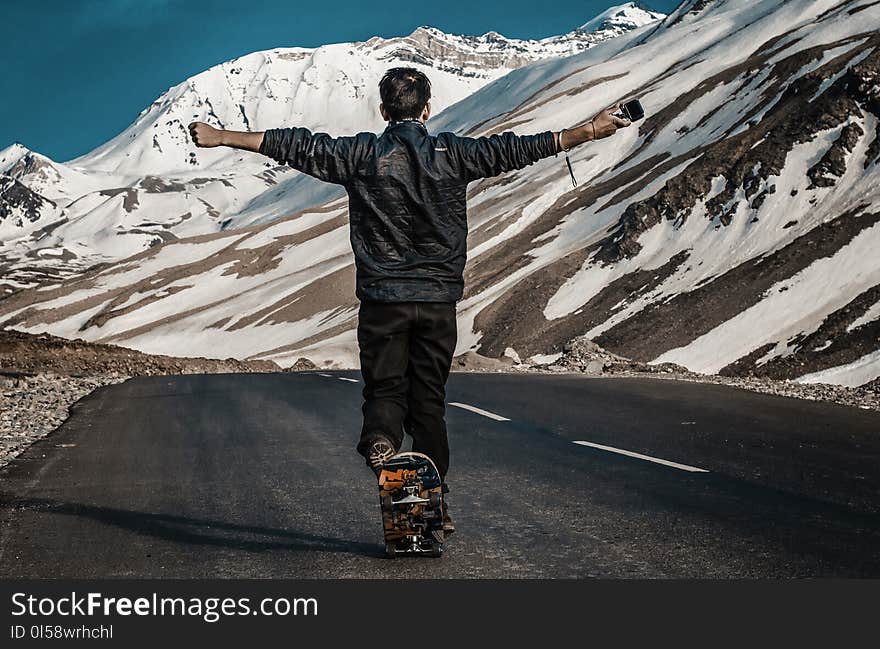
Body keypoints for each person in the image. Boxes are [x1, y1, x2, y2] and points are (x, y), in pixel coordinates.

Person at [188, 67, 630, 536]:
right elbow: (516, 149)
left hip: (382, 299)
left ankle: (381, 440)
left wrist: (222, 137)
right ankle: (435, 495)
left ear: (384, 111)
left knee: (384, 393)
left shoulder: (360, 154)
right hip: (437, 301)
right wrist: (586, 131)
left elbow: (298, 145)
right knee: (429, 404)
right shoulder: (455, 153)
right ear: (426, 109)